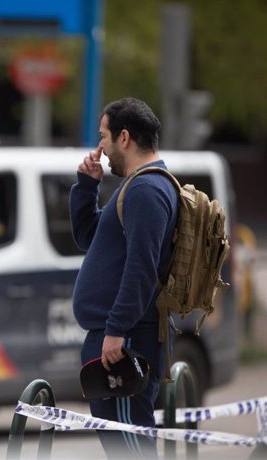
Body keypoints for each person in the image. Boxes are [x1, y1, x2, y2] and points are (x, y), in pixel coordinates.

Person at [69, 97, 178, 459]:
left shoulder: (147, 190)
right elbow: (90, 238)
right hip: (117, 337)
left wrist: (116, 329)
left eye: (104, 138)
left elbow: (141, 268)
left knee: (132, 450)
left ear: (125, 137)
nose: (101, 148)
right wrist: (86, 186)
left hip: (125, 342)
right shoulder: (135, 186)